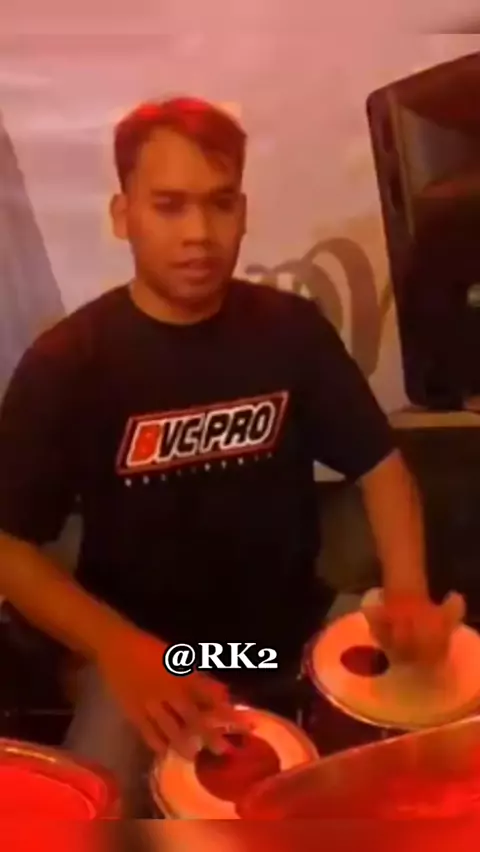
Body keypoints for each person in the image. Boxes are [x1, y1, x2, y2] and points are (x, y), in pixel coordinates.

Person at [0, 97, 463, 814]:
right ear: (123, 215)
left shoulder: (290, 331)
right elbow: (8, 546)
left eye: (219, 204)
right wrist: (116, 650)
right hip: (150, 651)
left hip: (287, 632)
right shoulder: (67, 363)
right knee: (94, 818)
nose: (198, 233)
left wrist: (406, 591)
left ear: (243, 212)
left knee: (439, 772)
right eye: (169, 206)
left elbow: (380, 466)